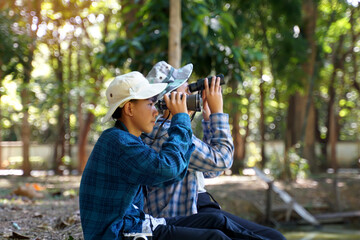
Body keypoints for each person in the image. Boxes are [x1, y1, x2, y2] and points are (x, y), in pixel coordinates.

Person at [79, 71, 269, 240]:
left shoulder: (126, 139)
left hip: (134, 224)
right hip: (119, 233)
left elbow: (175, 172)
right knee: (215, 237)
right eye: (151, 104)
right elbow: (168, 169)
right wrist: (181, 118)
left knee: (215, 220)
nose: (156, 111)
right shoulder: (119, 142)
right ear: (129, 109)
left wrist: (187, 119)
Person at [143, 61, 286, 240]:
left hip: (200, 207)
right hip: (190, 213)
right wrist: (218, 112)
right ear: (169, 98)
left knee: (273, 235)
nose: (191, 91)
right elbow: (222, 161)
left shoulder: (170, 128)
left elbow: (209, 170)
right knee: (274, 238)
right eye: (185, 89)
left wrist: (209, 118)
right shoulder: (165, 132)